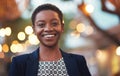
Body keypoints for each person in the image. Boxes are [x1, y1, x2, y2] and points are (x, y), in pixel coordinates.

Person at [9, 3, 91, 76]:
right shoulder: (20, 63)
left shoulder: (78, 62)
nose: (48, 29)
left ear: (62, 27)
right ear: (34, 30)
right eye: (41, 25)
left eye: (54, 23)